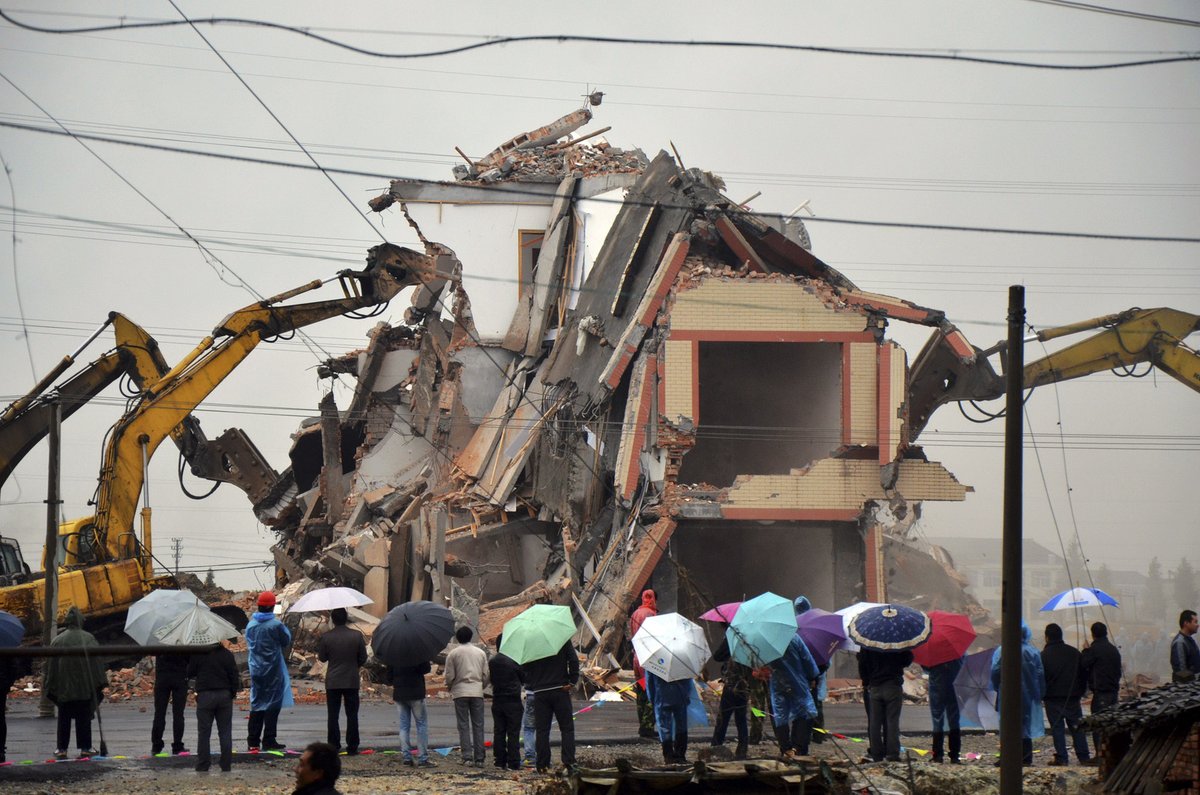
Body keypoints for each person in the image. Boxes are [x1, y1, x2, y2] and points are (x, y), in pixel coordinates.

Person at [43, 606, 107, 759]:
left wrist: (51, 686)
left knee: (63, 718)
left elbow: (51, 667)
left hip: (64, 690)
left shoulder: (57, 641)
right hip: (84, 688)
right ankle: (85, 747)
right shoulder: (88, 639)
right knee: (84, 717)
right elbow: (97, 664)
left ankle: (62, 749)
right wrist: (100, 684)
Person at [990, 621, 1045, 766]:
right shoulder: (1033, 652)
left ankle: (1006, 757)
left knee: (1007, 725)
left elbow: (995, 671)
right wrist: (1039, 693)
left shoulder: (1002, 650)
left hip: (1006, 693)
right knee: (1025, 725)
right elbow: (1039, 674)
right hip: (1027, 694)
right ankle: (1026, 758)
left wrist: (997, 687)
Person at [245, 590, 293, 751]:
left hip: (256, 669)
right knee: (273, 705)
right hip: (273, 670)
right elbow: (286, 640)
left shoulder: (251, 624)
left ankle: (252, 741)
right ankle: (269, 739)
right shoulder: (276, 625)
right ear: (273, 607)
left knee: (256, 704)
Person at [522, 639, 579, 773]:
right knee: (566, 728)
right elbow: (574, 660)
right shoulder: (562, 639)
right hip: (560, 688)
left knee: (542, 730)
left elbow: (525, 668)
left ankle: (542, 764)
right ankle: (569, 761)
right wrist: (572, 680)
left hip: (540, 691)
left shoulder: (532, 643)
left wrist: (533, 681)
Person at [1040, 623, 1091, 766]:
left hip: (1052, 698)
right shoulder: (1074, 653)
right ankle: (1084, 756)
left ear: (1047, 637)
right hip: (1072, 697)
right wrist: (1081, 691)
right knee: (1077, 727)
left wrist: (1042, 695)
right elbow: (1084, 674)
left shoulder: (1043, 656)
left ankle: (1062, 757)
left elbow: (1040, 677)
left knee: (1057, 729)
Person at [317, 607, 367, 755]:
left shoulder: (327, 637)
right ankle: (352, 745)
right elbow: (363, 658)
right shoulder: (356, 636)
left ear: (333, 620)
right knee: (352, 714)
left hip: (333, 681)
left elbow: (322, 658)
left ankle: (333, 745)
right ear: (346, 619)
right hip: (351, 680)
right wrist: (354, 665)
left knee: (333, 715)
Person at [188, 637, 241, 772]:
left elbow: (190, 672)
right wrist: (232, 693)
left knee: (204, 733)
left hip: (205, 695)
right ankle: (226, 764)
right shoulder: (227, 655)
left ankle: (203, 764)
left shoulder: (198, 654)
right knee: (225, 732)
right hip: (224, 695)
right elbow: (234, 676)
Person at [444, 625, 490, 767]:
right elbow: (486, 674)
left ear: (457, 638)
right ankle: (480, 758)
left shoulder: (453, 654)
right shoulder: (480, 653)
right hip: (476, 691)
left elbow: (449, 675)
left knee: (463, 725)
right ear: (471, 637)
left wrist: (451, 686)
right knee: (478, 725)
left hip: (460, 691)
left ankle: (467, 757)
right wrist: (481, 686)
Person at [769, 634, 819, 758]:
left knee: (780, 713)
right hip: (797, 680)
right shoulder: (793, 637)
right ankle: (799, 748)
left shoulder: (766, 642)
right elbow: (807, 659)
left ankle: (785, 748)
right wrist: (813, 676)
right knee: (804, 711)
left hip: (777, 682)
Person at [859, 645, 912, 762]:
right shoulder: (897, 639)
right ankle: (892, 754)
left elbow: (862, 664)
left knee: (874, 722)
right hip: (892, 685)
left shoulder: (868, 642)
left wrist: (866, 682)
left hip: (875, 686)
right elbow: (907, 660)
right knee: (892, 721)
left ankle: (876, 754)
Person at [1080, 621, 1121, 753]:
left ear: (1093, 635)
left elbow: (1083, 664)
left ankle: (1100, 754)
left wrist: (1085, 649)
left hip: (1101, 693)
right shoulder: (1113, 649)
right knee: (1111, 723)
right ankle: (1111, 752)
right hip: (1114, 692)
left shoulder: (1094, 650)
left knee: (1098, 724)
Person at [792, 596, 828, 744]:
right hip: (817, 670)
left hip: (803, 673)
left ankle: (804, 736)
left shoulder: (795, 626)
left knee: (804, 705)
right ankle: (818, 734)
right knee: (816, 704)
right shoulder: (817, 624)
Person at [709, 636, 750, 759]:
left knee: (723, 717)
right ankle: (742, 748)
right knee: (741, 718)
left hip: (732, 682)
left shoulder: (732, 636)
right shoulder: (753, 639)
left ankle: (716, 746)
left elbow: (717, 656)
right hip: (745, 683)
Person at [488, 633, 524, 771]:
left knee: (499, 731)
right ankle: (514, 761)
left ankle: (499, 761)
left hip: (497, 699)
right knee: (513, 732)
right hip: (513, 700)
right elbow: (523, 677)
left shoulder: (493, 661)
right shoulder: (514, 661)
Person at [391, 659, 435, 767]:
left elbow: (388, 676)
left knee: (404, 726)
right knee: (421, 725)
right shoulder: (417, 652)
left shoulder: (393, 654)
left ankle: (406, 757)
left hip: (399, 693)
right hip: (416, 692)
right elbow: (426, 669)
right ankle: (422, 758)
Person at [645, 669, 692, 763]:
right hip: (680, 696)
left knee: (664, 728)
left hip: (662, 696)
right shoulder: (683, 659)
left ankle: (668, 755)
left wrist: (652, 699)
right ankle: (680, 754)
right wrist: (687, 696)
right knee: (681, 725)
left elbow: (649, 683)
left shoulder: (653, 661)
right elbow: (688, 681)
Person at [629, 589, 658, 738]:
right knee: (651, 692)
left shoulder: (635, 614)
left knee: (641, 693)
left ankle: (642, 725)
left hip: (636, 659)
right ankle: (648, 727)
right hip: (649, 658)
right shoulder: (651, 615)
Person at [923, 655, 963, 764]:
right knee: (954, 720)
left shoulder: (933, 651)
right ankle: (955, 755)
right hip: (954, 687)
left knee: (937, 720)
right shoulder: (958, 652)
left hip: (937, 686)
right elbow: (963, 666)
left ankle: (938, 755)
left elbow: (926, 668)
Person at [150, 648, 190, 756]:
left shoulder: (160, 640)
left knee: (159, 713)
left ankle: (156, 746)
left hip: (162, 679)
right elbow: (189, 659)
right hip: (180, 678)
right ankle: (177, 746)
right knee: (178, 714)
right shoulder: (183, 639)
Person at [0, 650, 30, 764]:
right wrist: (7, 684)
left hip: (2, 685)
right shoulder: (5, 646)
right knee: (1, 718)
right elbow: (13, 668)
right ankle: (1, 750)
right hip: (1, 686)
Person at [1170, 609, 1200, 682]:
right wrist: (1197, 677)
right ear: (1186, 623)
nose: (1198, 625)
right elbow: (1181, 672)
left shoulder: (1190, 640)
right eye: (1195, 622)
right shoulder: (1180, 642)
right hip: (1185, 689)